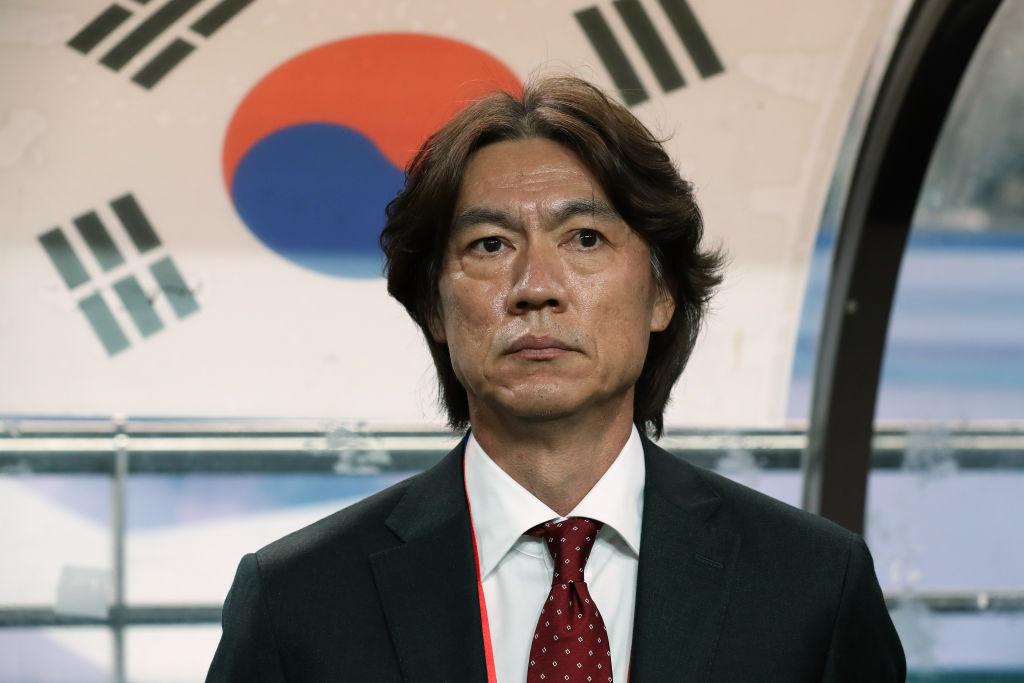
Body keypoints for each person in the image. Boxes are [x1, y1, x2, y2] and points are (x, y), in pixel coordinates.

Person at [206, 75, 905, 682]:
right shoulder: (297, 600)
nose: (536, 286)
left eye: (585, 240)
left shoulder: (812, 584)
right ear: (434, 307)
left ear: (663, 293)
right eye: (489, 245)